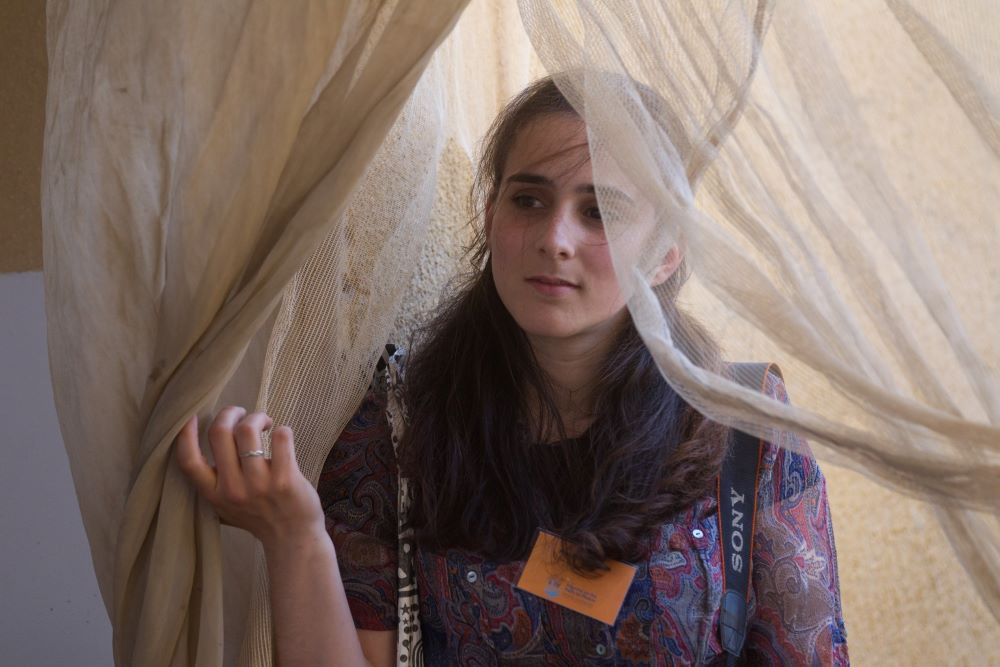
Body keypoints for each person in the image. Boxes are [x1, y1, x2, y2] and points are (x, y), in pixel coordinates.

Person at [175, 76, 849, 666]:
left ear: (667, 252)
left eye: (600, 212)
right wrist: (294, 536)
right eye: (529, 200)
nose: (555, 237)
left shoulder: (746, 424)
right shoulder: (401, 422)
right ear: (490, 213)